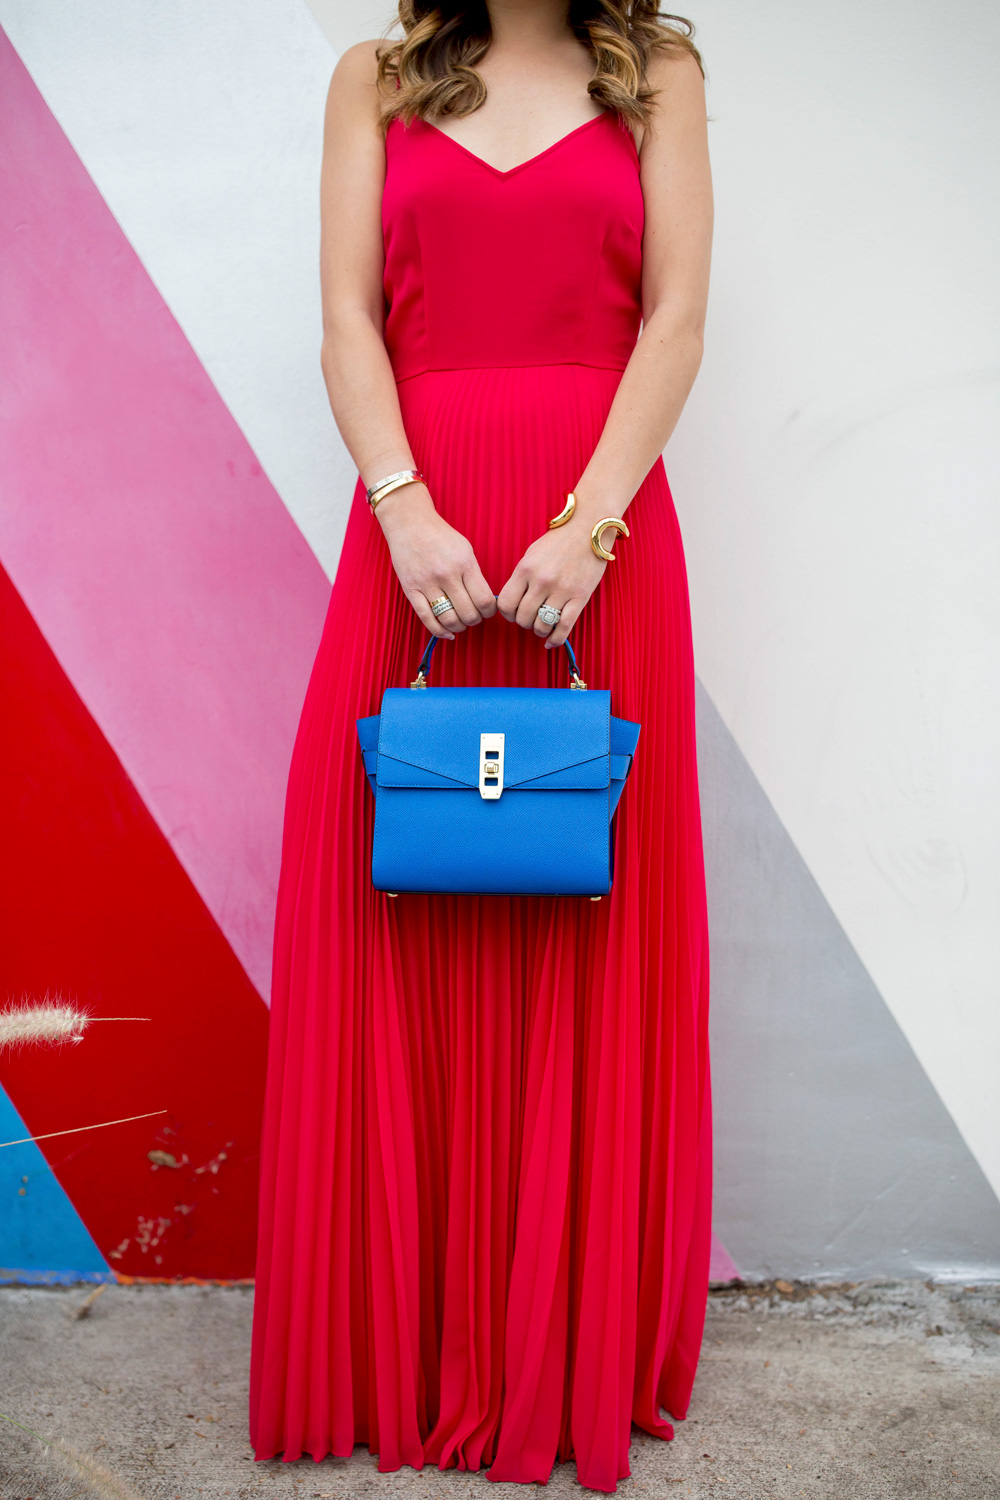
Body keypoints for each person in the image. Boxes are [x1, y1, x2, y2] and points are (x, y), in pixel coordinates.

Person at [249, 2, 713, 1491]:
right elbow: (346, 319)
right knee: (390, 902)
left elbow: (678, 321)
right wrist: (401, 505)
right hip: (418, 535)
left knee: (582, 916)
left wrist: (591, 527)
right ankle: (398, 1346)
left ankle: (555, 1351)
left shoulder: (663, 74)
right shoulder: (372, 82)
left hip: (604, 541)